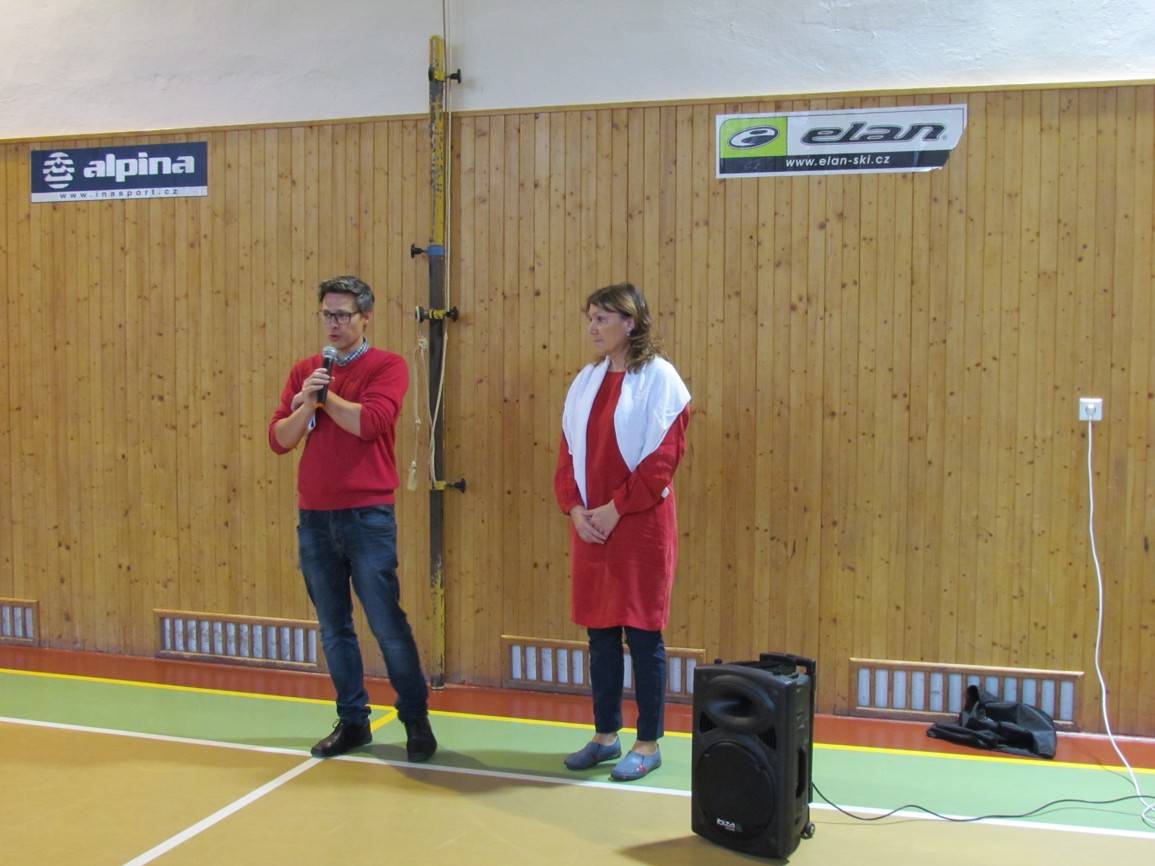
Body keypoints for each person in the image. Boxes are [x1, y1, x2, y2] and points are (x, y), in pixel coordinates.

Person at [268, 275, 437, 762]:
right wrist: (306, 402)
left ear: (366, 317)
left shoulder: (388, 365)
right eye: (328, 314)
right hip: (315, 518)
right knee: (333, 627)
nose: (334, 323)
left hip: (367, 517)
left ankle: (415, 720)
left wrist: (325, 398)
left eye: (343, 315)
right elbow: (280, 439)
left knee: (387, 624)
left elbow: (371, 423)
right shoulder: (307, 371)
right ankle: (353, 721)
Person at [554, 282, 691, 781]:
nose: (592, 327)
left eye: (602, 318)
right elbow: (568, 453)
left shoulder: (661, 380)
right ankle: (605, 736)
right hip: (592, 526)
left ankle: (648, 743)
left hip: (639, 526)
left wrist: (616, 508)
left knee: (644, 634)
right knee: (601, 635)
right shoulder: (586, 381)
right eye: (590, 317)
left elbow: (662, 461)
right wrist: (575, 509)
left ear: (630, 322)